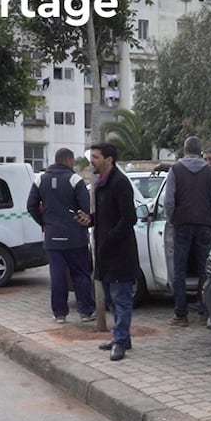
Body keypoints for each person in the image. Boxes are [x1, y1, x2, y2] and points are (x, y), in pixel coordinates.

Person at [78, 143, 138, 361]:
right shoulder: (101, 183)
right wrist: (90, 220)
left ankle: (120, 342)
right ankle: (121, 337)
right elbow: (103, 216)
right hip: (103, 253)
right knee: (111, 300)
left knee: (121, 299)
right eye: (91, 156)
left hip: (119, 252)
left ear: (109, 159)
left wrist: (111, 237)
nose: (91, 161)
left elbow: (129, 218)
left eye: (95, 157)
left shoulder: (120, 183)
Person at [27, 148, 96, 324]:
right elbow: (85, 207)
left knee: (57, 276)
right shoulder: (75, 179)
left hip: (52, 237)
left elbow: (31, 206)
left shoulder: (40, 179)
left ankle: (59, 314)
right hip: (75, 237)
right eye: (72, 161)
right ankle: (85, 312)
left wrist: (44, 222)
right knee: (81, 274)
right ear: (67, 160)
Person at [161, 135, 211, 326]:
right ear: (200, 151)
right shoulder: (210, 172)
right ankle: (204, 311)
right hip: (204, 224)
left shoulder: (175, 170)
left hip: (182, 223)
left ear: (185, 150)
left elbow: (168, 200)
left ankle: (181, 314)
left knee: (179, 269)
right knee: (205, 269)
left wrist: (172, 219)